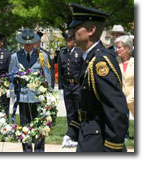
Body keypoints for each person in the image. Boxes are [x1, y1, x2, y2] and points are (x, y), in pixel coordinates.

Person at [62, 3, 129, 152]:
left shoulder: (100, 62)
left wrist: (113, 148)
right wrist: (73, 130)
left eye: (76, 27)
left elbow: (116, 109)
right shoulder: (89, 59)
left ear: (91, 30)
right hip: (89, 135)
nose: (71, 32)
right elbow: (86, 104)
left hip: (98, 140)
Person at [9, 29, 51, 152]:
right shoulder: (15, 56)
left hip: (38, 97)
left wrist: (48, 94)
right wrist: (11, 93)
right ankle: (26, 150)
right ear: (22, 43)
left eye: (30, 43)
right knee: (24, 126)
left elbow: (47, 76)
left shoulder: (42, 57)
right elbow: (11, 75)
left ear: (34, 43)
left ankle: (39, 150)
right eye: (25, 43)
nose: (28, 46)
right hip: (22, 96)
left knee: (39, 125)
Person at [58, 31, 83, 128]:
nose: (67, 43)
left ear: (74, 41)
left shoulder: (79, 52)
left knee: (78, 109)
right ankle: (71, 131)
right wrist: (61, 85)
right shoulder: (62, 53)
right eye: (66, 41)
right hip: (67, 85)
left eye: (69, 41)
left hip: (77, 85)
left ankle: (80, 130)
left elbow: (82, 69)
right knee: (69, 110)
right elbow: (60, 70)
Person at [115, 35, 134, 118]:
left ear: (127, 48)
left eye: (119, 47)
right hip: (118, 103)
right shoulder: (114, 62)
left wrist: (128, 101)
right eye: (116, 47)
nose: (117, 50)